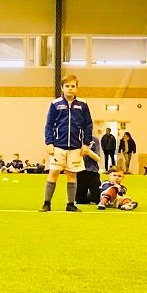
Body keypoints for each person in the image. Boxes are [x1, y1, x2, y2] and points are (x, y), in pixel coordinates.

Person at [40, 74, 93, 212]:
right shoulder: (55, 104)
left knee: (72, 174)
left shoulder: (83, 104)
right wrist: (49, 143)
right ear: (62, 88)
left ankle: (70, 204)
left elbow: (88, 125)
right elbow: (49, 125)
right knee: (53, 173)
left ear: (77, 88)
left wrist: (86, 144)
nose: (70, 88)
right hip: (58, 146)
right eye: (67, 86)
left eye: (73, 86)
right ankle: (46, 203)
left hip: (76, 147)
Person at [76, 126, 105, 205]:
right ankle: (85, 195)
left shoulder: (94, 140)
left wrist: (88, 151)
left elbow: (97, 158)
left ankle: (93, 194)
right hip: (80, 171)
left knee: (97, 199)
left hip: (93, 172)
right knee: (80, 201)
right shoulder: (75, 140)